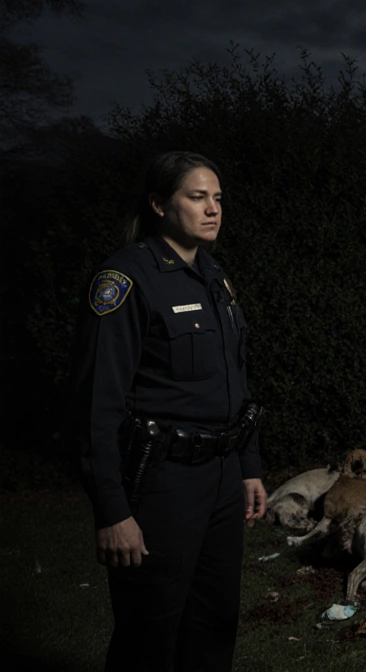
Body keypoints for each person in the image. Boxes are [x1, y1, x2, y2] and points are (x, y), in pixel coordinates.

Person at [69, 151, 267, 671]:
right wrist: (113, 511)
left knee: (214, 625)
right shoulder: (125, 280)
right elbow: (96, 406)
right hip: (162, 484)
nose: (213, 209)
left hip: (222, 480)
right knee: (149, 636)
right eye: (197, 197)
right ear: (159, 204)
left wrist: (247, 468)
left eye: (218, 198)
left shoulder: (215, 278)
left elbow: (234, 379)